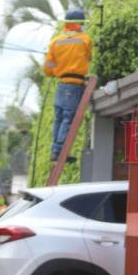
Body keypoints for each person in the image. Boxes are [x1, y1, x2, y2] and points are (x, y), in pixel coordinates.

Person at [43, 9, 91, 164]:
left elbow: (48, 69)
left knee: (59, 118)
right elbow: (89, 58)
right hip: (75, 84)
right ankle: (59, 151)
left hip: (62, 83)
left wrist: (57, 70)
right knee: (68, 118)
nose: (83, 26)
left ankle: (55, 150)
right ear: (77, 24)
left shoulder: (55, 41)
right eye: (82, 23)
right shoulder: (85, 39)